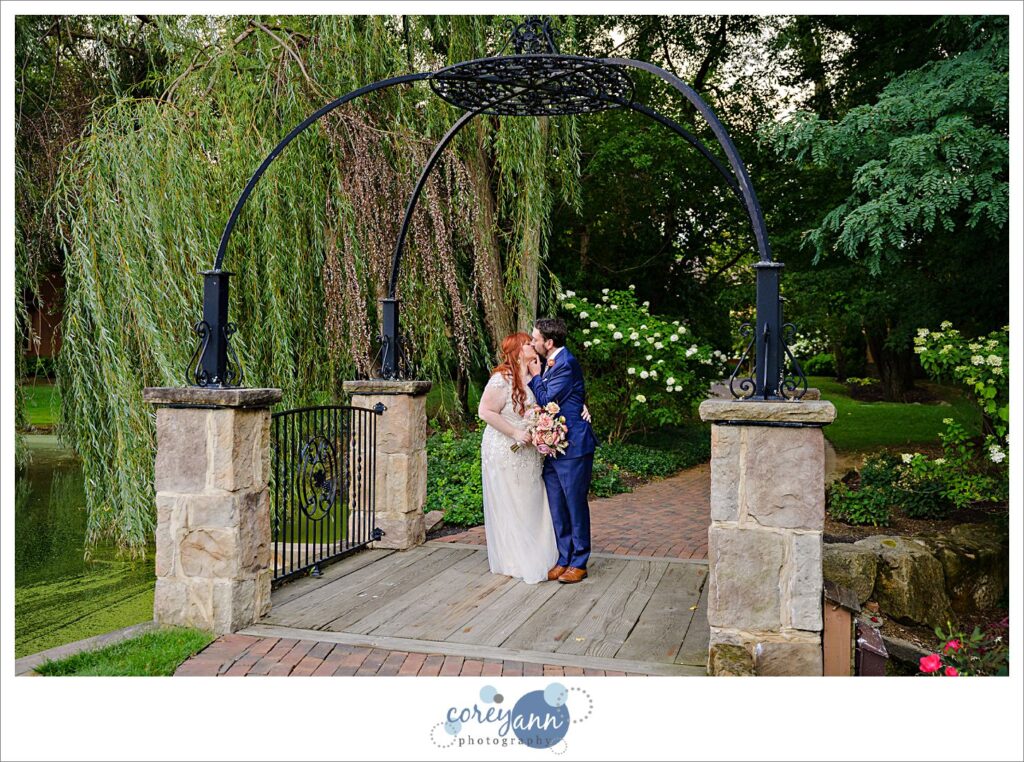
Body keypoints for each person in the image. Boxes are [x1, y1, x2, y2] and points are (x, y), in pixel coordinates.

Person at [477, 331, 592, 584]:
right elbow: (485, 411)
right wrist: (516, 432)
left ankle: (560, 557)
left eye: (534, 341)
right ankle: (514, 558)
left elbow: (557, 397)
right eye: (528, 343)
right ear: (518, 350)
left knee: (533, 502)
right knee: (511, 501)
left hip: (532, 452)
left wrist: (580, 405)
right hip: (507, 447)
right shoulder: (501, 378)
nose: (533, 345)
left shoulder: (537, 374)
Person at [525, 317, 597, 584]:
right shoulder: (551, 362)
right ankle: (564, 558)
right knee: (557, 504)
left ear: (549, 342)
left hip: (574, 446)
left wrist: (534, 375)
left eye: (535, 339)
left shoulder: (566, 363)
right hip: (553, 446)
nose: (533, 343)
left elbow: (546, 399)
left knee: (575, 504)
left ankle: (580, 561)